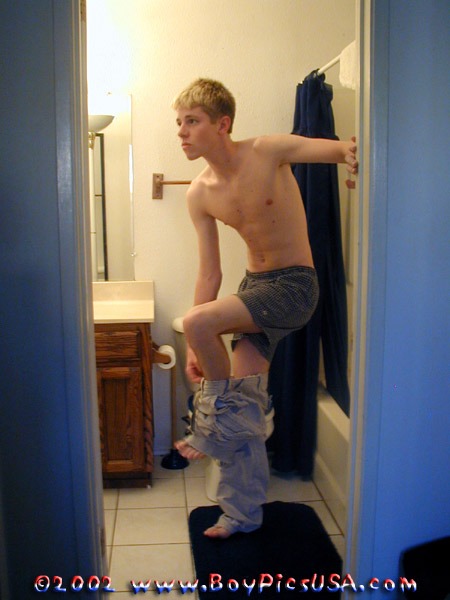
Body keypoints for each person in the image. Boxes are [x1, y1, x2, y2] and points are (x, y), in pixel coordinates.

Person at [173, 78, 358, 539]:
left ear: (223, 124)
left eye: (192, 121)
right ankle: (241, 515)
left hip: (295, 286)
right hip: (254, 288)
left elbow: (340, 150)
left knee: (199, 327)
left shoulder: (268, 151)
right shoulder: (199, 193)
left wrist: (356, 158)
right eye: (179, 123)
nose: (181, 132)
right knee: (244, 412)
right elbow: (210, 274)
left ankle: (209, 425)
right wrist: (197, 345)